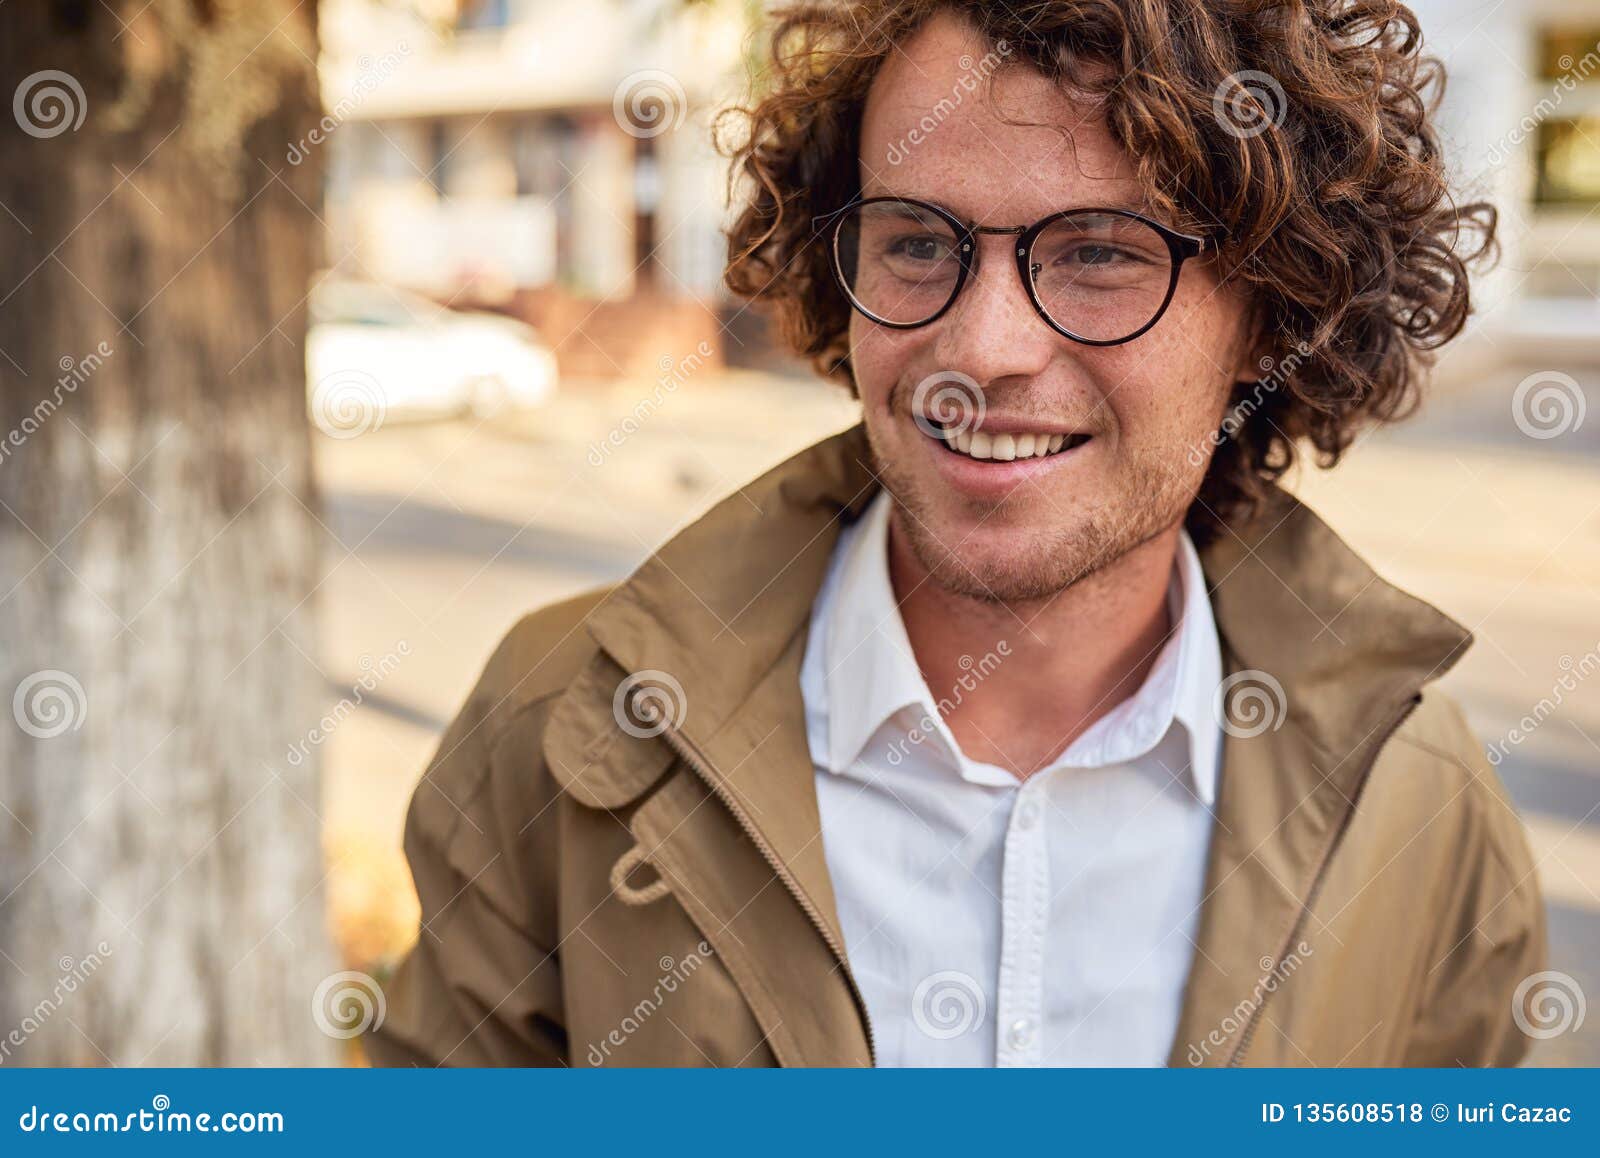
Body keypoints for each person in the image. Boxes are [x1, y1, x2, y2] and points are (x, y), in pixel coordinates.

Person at [367, 0, 1546, 1068]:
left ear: (1269, 313)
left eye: (1097, 253)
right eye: (919, 243)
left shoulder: (1417, 804)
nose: (981, 352)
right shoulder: (559, 728)